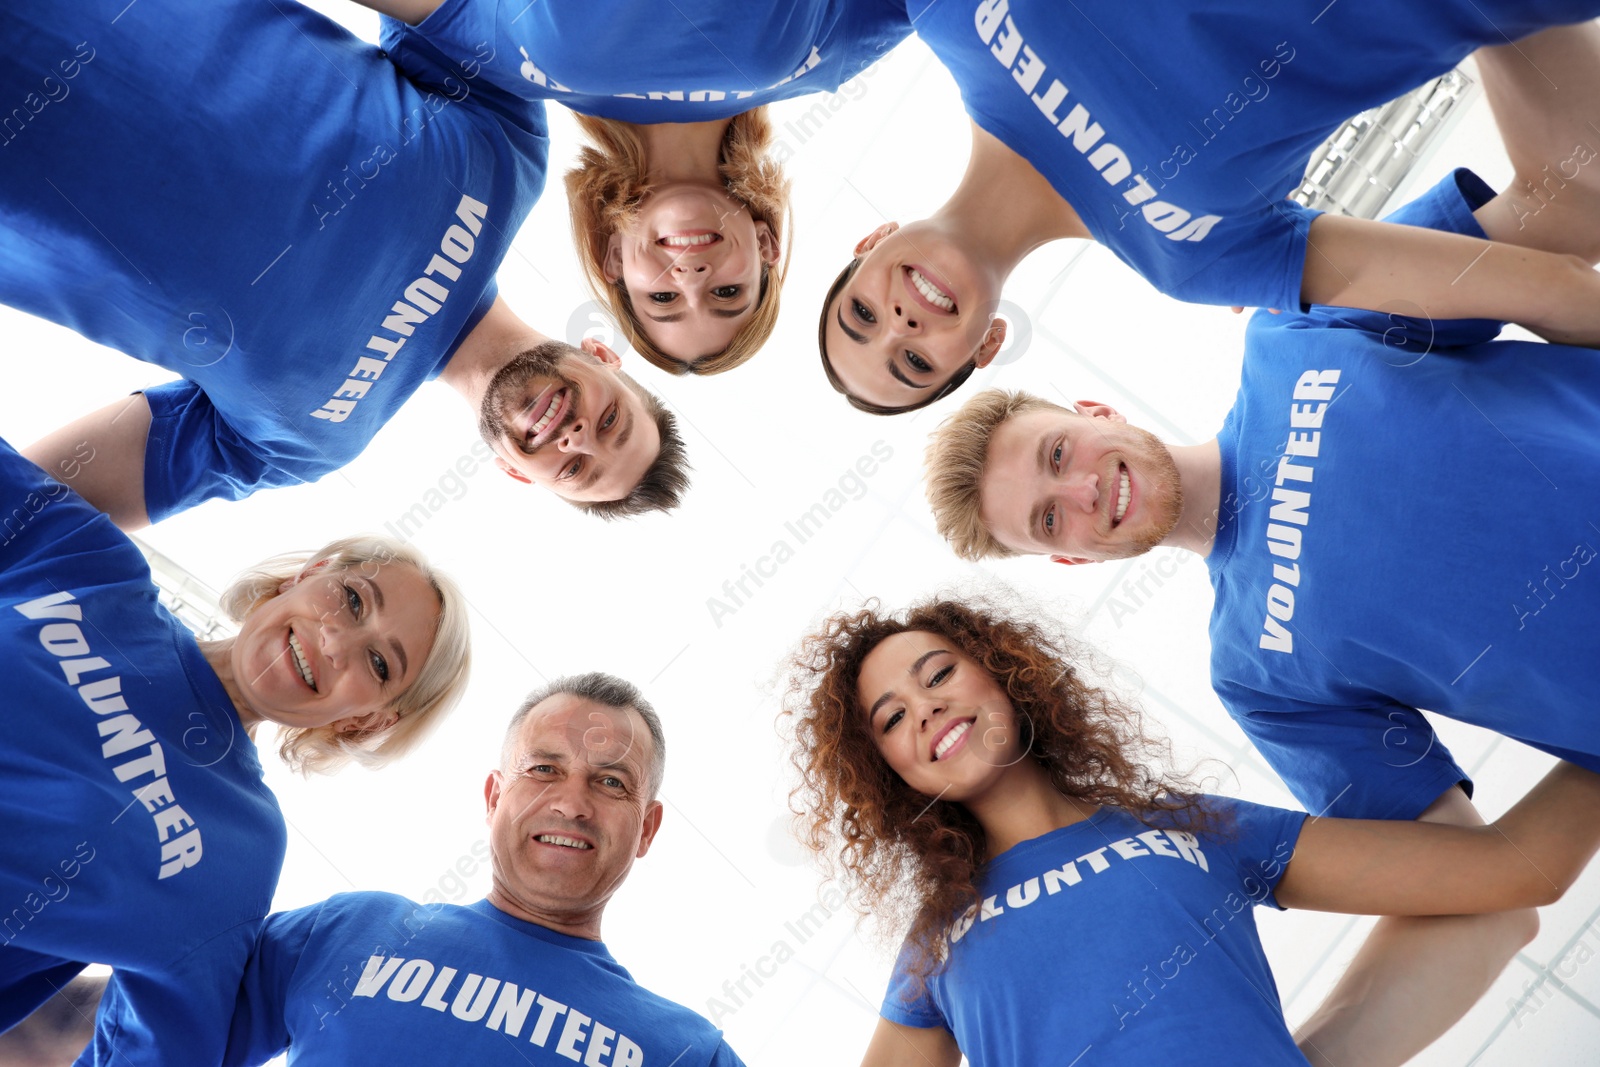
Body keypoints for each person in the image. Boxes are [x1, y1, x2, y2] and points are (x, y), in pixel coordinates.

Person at [921, 163, 1600, 1063]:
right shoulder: (1255, 672)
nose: (1086, 489)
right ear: (1068, 556)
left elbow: (1553, 225)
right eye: (1052, 517)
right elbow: (1479, 885)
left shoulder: (1294, 330)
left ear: (1093, 410)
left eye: (1058, 452)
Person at [784, 596, 1600, 1064]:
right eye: (892, 718)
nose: (924, 706)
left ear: (1000, 672)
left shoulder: (1186, 824)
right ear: (890, 773)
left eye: (938, 672)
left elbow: (1511, 872)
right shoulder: (935, 939)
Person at [1, 0, 690, 528]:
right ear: (604, 355)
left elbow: (37, 514)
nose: (575, 436)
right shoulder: (511, 153)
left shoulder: (307, 445)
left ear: (515, 473)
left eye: (574, 467)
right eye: (610, 424)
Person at [819, 13, 1600, 412]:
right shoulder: (1191, 261)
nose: (900, 324)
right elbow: (1572, 226)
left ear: (873, 239)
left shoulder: (947, 19)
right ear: (985, 347)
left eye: (860, 313)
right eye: (915, 362)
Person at [0, 434, 472, 1067]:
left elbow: (155, 1050)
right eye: (354, 599)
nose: (336, 641)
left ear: (363, 722)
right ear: (306, 576)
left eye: (379, 662)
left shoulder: (239, 846)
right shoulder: (91, 563)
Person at [7, 674, 744, 1065]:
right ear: (494, 795)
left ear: (646, 826)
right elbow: (95, 1019)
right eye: (543, 768)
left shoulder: (685, 1048)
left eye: (611, 782)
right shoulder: (353, 929)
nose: (572, 802)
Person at [354, 0, 914, 375]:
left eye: (663, 299)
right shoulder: (826, 61)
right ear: (767, 246)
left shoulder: (510, 71)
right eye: (727, 294)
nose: (691, 279)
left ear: (614, 258)